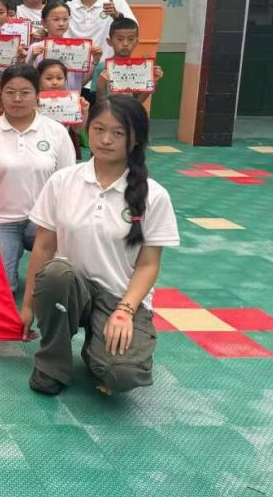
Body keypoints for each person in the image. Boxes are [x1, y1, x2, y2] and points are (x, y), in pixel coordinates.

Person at [21, 95, 179, 396]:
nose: (106, 140)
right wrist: (27, 306)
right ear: (87, 129)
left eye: (118, 133)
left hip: (120, 296)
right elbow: (43, 248)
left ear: (135, 138)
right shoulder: (63, 181)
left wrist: (125, 311)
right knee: (55, 274)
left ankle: (98, 346)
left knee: (122, 375)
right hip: (70, 288)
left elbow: (148, 264)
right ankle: (52, 364)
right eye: (98, 129)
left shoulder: (154, 195)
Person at [0, 64, 75, 294]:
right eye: (10, 92)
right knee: (3, 290)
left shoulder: (56, 131)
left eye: (25, 92)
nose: (17, 99)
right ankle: (10, 251)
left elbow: (68, 181)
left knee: (53, 283)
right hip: (1, 221)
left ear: (37, 95)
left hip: (44, 220)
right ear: (1, 94)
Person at [96, 17, 164, 103]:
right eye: (120, 39)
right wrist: (100, 85)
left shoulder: (140, 69)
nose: (125, 44)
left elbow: (137, 103)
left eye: (131, 39)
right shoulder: (101, 67)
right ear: (110, 41)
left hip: (131, 111)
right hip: (108, 111)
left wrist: (153, 81)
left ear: (137, 41)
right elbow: (98, 104)